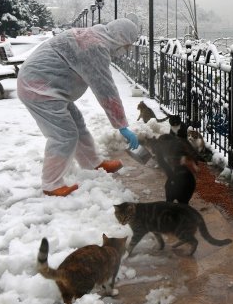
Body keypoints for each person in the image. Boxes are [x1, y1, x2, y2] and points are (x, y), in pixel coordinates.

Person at [16, 17, 141, 196]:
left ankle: (92, 163)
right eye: (127, 45)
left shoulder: (94, 37)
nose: (126, 51)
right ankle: (51, 185)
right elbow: (106, 90)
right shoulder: (95, 47)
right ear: (120, 37)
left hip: (49, 87)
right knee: (64, 135)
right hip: (38, 88)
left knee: (77, 125)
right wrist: (122, 125)